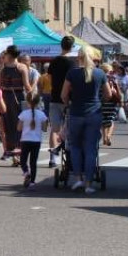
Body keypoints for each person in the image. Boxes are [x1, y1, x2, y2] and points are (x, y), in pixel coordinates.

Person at [62, 48, 113, 193]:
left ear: (78, 58)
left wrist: (68, 104)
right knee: (91, 149)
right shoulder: (100, 73)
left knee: (75, 146)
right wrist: (99, 102)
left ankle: (78, 178)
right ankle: (88, 184)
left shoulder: (72, 73)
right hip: (94, 113)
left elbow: (64, 94)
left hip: (76, 113)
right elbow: (108, 94)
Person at [47, 36, 77, 169]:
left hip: (55, 97)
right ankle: (70, 156)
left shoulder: (54, 61)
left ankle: (53, 158)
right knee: (69, 128)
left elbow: (49, 78)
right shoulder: (73, 63)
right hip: (69, 99)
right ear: (72, 46)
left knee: (54, 129)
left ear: (61, 46)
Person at [0, 46, 31, 164]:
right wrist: (33, 99)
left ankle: (13, 154)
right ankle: (19, 153)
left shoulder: (2, 68)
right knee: (20, 125)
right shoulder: (22, 67)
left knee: (8, 126)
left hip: (5, 98)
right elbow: (27, 86)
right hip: (18, 98)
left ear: (9, 55)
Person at [17, 92, 48, 188]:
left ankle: (26, 173)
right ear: (38, 102)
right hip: (36, 141)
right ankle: (32, 182)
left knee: (23, 161)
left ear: (27, 102)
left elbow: (19, 128)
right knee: (33, 162)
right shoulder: (42, 114)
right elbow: (44, 129)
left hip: (25, 140)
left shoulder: (23, 114)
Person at [100, 64, 121, 147]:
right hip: (112, 102)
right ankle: (108, 136)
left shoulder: (99, 77)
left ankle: (104, 139)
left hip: (102, 101)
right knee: (111, 120)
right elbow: (117, 89)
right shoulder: (113, 78)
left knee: (103, 121)